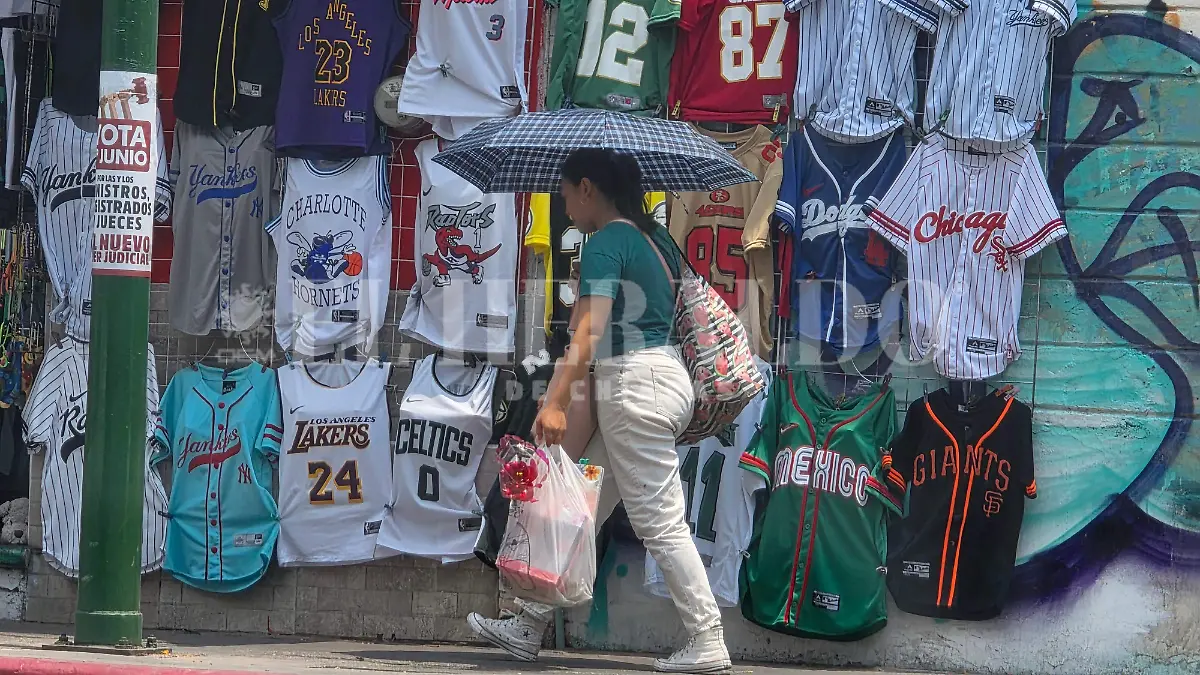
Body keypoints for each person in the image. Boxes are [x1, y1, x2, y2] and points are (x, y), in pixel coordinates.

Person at [466, 148, 732, 674]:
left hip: (635, 387)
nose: (563, 204)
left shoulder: (607, 243)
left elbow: (585, 332)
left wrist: (557, 401)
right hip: (655, 381)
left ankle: (708, 637)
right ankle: (530, 622)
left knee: (660, 520)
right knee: (583, 508)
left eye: (565, 191)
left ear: (588, 187)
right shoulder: (658, 242)